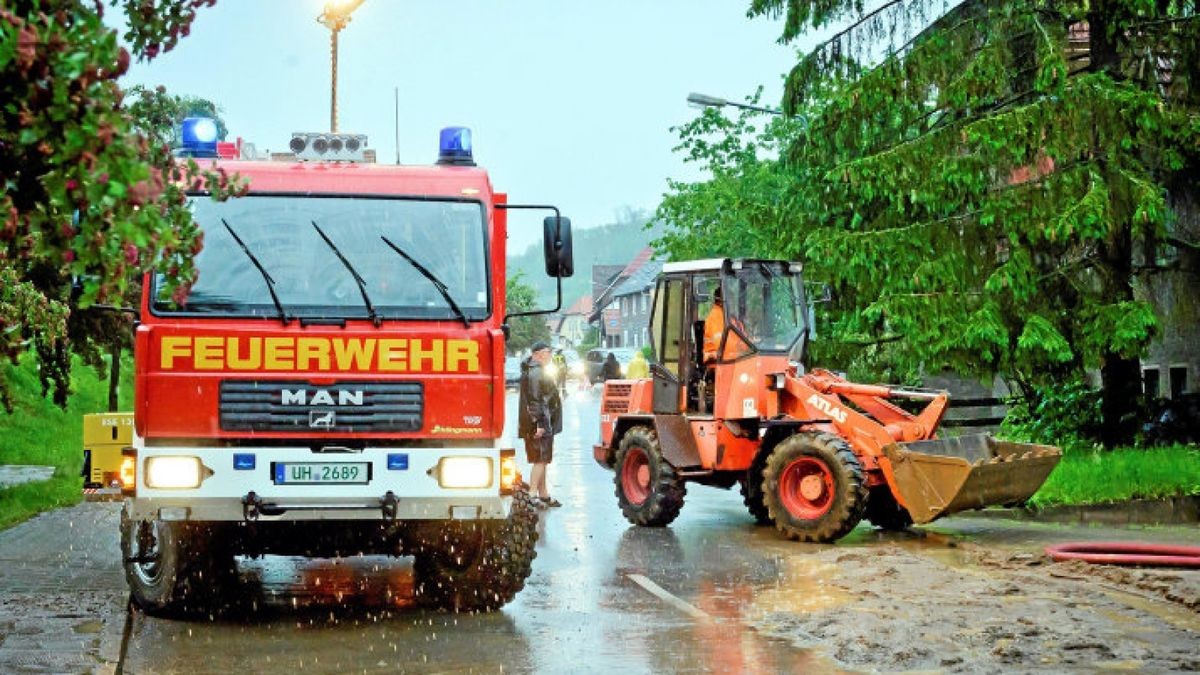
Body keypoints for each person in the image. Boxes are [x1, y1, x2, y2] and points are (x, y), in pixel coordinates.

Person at [518, 342, 563, 508]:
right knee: (540, 459)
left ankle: (543, 494)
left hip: (540, 421)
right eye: (546, 352)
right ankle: (531, 494)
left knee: (542, 458)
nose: (549, 355)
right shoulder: (536, 372)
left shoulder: (533, 370)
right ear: (536, 354)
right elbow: (536, 400)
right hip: (539, 422)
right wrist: (539, 424)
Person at [702, 285, 749, 364]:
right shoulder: (715, 317)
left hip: (732, 362)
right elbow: (723, 345)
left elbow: (744, 340)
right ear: (722, 300)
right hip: (718, 365)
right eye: (730, 298)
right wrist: (742, 350)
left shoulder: (731, 318)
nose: (732, 301)